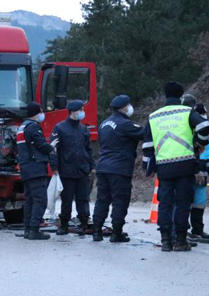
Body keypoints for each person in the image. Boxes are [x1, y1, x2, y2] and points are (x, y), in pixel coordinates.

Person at [142, 81, 209, 252]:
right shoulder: (187, 112)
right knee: (182, 203)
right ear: (181, 97)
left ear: (165, 95)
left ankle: (166, 240)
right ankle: (181, 240)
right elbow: (204, 126)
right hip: (185, 165)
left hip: (164, 167)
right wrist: (199, 144)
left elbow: (147, 145)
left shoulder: (154, 116)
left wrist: (147, 167)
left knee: (165, 203)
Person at [92, 94, 144, 242]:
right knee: (119, 201)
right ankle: (116, 233)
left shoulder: (103, 124)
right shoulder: (125, 124)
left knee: (102, 200)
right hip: (119, 168)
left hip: (103, 167)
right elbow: (145, 133)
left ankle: (97, 231)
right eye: (129, 105)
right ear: (124, 107)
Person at [51, 100, 94, 235]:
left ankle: (83, 224)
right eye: (80, 110)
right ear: (72, 112)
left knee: (83, 199)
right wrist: (54, 167)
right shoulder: (60, 128)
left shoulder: (83, 129)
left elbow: (88, 149)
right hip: (66, 170)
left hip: (82, 170)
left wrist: (91, 166)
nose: (82, 112)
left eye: (82, 109)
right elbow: (53, 149)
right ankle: (63, 225)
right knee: (66, 200)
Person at [180, 94, 209, 240]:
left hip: (201, 173)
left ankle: (197, 229)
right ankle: (183, 230)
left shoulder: (204, 132)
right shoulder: (185, 128)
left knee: (199, 203)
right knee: (185, 202)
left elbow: (208, 155)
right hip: (187, 170)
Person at [17, 101, 54, 240]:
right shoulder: (33, 127)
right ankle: (34, 230)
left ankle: (28, 229)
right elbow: (41, 145)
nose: (42, 115)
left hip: (26, 168)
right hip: (36, 167)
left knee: (30, 200)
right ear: (35, 113)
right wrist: (52, 147)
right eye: (41, 112)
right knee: (40, 200)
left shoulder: (22, 127)